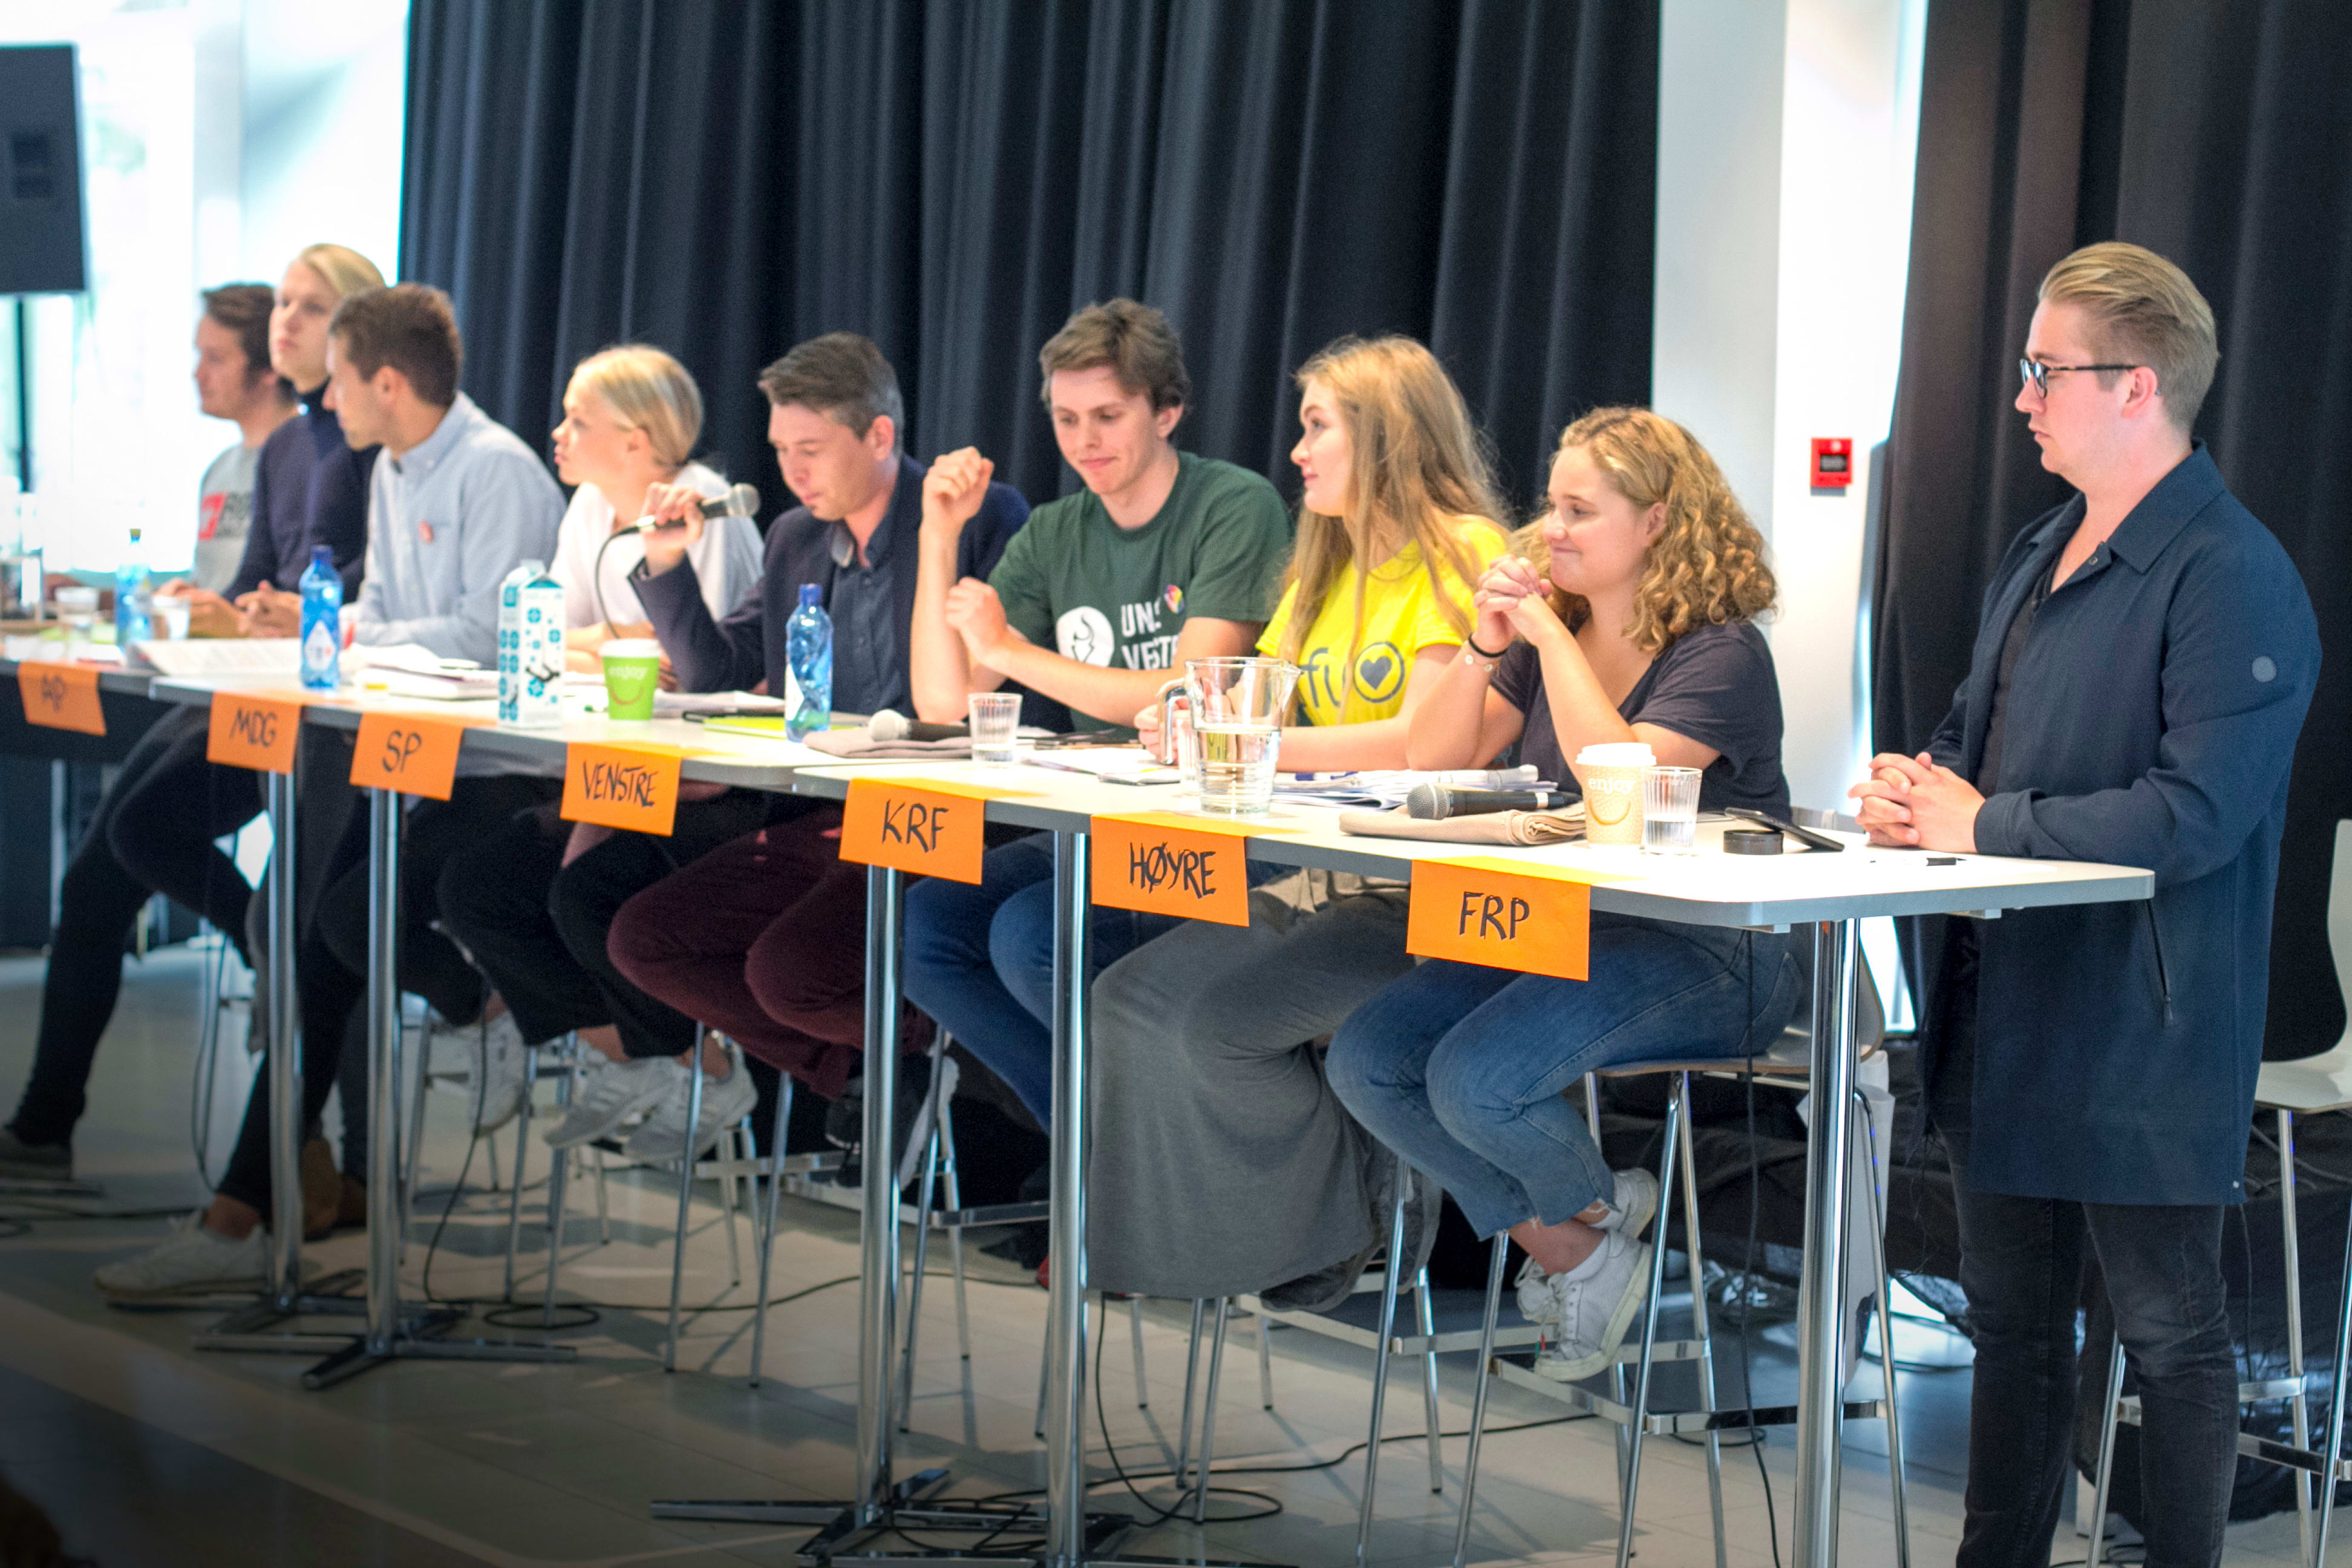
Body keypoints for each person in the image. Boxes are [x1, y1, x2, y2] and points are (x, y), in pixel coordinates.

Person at [1846, 244, 2318, 1568]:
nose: (2022, 397)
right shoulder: (2042, 545)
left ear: (2136, 386)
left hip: (2142, 1025)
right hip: (2008, 1002)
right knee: (2008, 1321)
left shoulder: (2229, 571)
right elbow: (1969, 738)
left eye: (2044, 370)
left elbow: (2195, 813)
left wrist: (1980, 823)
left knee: (2168, 1332)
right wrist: (1912, 788)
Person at [92, 283, 564, 1298]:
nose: (329, 401)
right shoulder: (393, 466)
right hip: (402, 750)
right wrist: (348, 633)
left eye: (341, 381)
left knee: (333, 935)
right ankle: (239, 1218)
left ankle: (483, 1010)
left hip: (499, 772)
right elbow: (382, 608)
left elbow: (492, 635)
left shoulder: (497, 470)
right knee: (314, 947)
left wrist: (351, 634)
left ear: (386, 382)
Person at [1327, 407, 1802, 1380]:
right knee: (1371, 1058)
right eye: (1551, 507)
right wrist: (1482, 641)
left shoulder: (1719, 652)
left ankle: (1590, 1224)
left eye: (1581, 511)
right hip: (1566, 929)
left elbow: (1615, 780)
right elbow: (1434, 755)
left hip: (1713, 953)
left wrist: (1545, 636)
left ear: (1658, 522)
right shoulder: (1558, 631)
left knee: (1475, 1080)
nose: (1552, 530)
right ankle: (1586, 1236)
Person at [1085, 336, 1507, 1308]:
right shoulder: (1330, 561)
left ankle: (1336, 1223)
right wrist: (1185, 719)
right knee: (1125, 998)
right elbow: (1252, 702)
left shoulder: (1468, 553)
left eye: (1319, 427)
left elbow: (1419, 744)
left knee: (1213, 1029)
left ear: (1387, 436)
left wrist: (1244, 743)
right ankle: (1214, 1246)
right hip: (1321, 883)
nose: (1298, 452)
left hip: (1421, 903)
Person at [0, 246, 384, 1197]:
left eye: (308, 308)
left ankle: (332, 1173)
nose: (288, 323)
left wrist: (273, 615)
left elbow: (359, 592)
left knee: (317, 935)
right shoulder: (286, 447)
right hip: (240, 690)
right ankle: (51, 1123)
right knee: (116, 861)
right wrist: (228, 612)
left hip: (326, 710)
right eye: (283, 303)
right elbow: (257, 580)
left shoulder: (372, 445)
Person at [601, 333, 1030, 1156]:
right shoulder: (796, 536)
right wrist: (665, 563)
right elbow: (720, 672)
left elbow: (987, 693)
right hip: (827, 812)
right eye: (780, 451)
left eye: (811, 448)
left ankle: (933, 1052)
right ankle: (887, 1063)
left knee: (786, 973)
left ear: (879, 436)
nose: (793, 471)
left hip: (937, 819)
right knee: (644, 939)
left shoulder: (974, 516)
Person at [900, 300, 1293, 1125]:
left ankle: (1131, 1152)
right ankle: (1091, 1149)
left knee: (1031, 937)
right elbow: (944, 702)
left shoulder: (1234, 504)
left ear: (1167, 412)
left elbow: (1190, 695)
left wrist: (1011, 653)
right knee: (930, 926)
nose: (1085, 440)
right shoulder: (1054, 531)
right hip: (1105, 822)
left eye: (1109, 416)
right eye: (1067, 418)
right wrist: (939, 535)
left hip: (1212, 828)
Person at [433, 344, 768, 1153]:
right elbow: (549, 634)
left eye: (578, 421)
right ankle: (637, 1052)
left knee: (578, 894)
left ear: (637, 440)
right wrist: (626, 640)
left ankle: (692, 1062)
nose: (557, 434)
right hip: (609, 767)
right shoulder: (589, 507)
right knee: (475, 891)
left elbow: (702, 669)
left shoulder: (706, 509)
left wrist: (612, 642)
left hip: (704, 784)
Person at [188, 283, 298, 591]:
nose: (198, 374)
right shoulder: (219, 469)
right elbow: (208, 584)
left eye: (215, 358)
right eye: (200, 355)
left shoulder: (306, 463)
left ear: (269, 368)